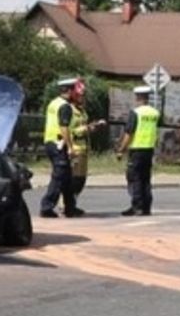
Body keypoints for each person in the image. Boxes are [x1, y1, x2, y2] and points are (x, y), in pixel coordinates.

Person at [40, 77, 85, 218]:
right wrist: (71, 147)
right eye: (74, 90)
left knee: (66, 177)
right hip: (59, 143)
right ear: (70, 91)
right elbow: (64, 127)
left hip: (50, 142)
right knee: (59, 176)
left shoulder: (53, 103)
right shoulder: (65, 106)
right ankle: (46, 206)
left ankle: (70, 207)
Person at [116, 85, 160, 216]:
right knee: (146, 179)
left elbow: (129, 133)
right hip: (149, 149)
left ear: (138, 97)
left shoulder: (135, 113)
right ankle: (146, 207)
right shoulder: (155, 113)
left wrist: (121, 150)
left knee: (135, 178)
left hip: (136, 150)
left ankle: (137, 206)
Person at [68, 81, 108, 202]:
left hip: (83, 148)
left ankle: (72, 203)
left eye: (83, 95)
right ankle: (65, 205)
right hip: (74, 148)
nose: (83, 98)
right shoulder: (69, 110)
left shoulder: (82, 111)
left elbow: (84, 127)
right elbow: (69, 130)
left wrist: (94, 126)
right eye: (80, 95)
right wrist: (87, 128)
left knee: (81, 179)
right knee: (73, 180)